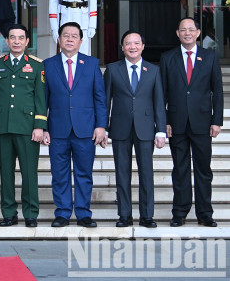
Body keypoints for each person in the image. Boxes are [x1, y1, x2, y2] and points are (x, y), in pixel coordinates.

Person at [160, 17, 223, 227]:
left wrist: (217, 121)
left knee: (204, 170)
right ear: (177, 34)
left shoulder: (210, 57)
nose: (187, 33)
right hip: (176, 122)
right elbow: (162, 94)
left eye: (191, 29)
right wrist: (164, 121)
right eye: (182, 30)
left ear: (197, 33)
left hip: (203, 123)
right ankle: (179, 212)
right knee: (180, 170)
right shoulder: (168, 58)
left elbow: (218, 92)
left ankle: (205, 213)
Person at [43, 22, 107, 228]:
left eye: (74, 36)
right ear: (58, 39)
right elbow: (42, 100)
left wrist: (101, 126)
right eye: (66, 35)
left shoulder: (91, 64)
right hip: (57, 129)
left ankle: (83, 213)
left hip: (85, 129)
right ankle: (62, 213)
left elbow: (100, 98)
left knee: (84, 174)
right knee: (59, 174)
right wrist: (43, 127)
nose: (70, 39)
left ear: (81, 40)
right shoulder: (48, 65)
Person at [104, 30, 166, 228]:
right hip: (120, 127)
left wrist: (161, 130)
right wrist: (103, 128)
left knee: (146, 173)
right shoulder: (113, 69)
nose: (132, 47)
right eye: (128, 43)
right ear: (122, 47)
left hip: (146, 128)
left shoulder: (153, 70)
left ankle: (147, 216)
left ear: (143, 46)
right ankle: (124, 215)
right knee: (122, 173)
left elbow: (159, 102)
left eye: (136, 43)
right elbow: (105, 101)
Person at [0, 24, 46, 228]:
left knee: (29, 173)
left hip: (27, 127)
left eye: (20, 38)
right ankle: (9, 213)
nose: (16, 41)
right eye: (12, 37)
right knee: (6, 172)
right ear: (6, 41)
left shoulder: (37, 65)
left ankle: (30, 213)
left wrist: (40, 125)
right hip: (3, 126)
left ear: (27, 41)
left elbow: (41, 98)